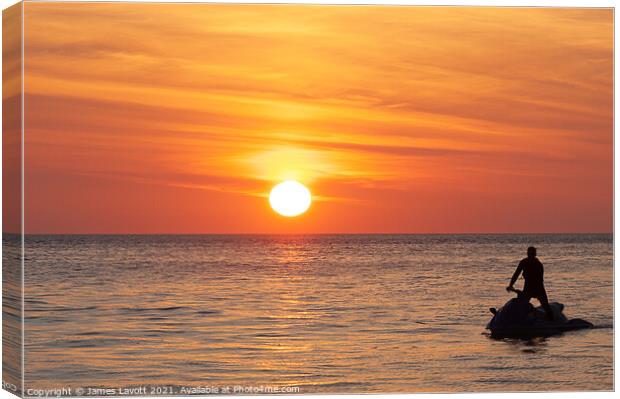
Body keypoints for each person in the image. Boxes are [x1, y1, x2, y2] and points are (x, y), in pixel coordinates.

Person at [506, 246, 554, 321]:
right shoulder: (524, 262)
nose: (530, 255)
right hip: (528, 287)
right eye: (529, 253)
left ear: (535, 254)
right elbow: (516, 274)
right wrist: (511, 285)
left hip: (538, 287)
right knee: (522, 304)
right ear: (527, 254)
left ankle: (552, 319)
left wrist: (538, 292)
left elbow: (540, 280)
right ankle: (520, 319)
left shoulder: (538, 264)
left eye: (532, 254)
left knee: (545, 305)